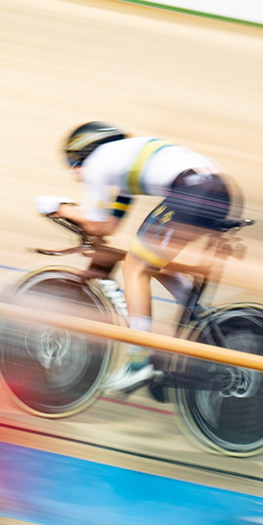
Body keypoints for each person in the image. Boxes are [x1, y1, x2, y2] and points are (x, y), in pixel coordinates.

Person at [38, 122, 242, 393]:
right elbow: (110, 225)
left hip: (193, 191)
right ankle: (197, 314)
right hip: (214, 189)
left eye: (72, 164)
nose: (75, 176)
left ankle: (138, 364)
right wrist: (96, 259)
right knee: (147, 256)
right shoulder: (124, 174)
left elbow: (97, 223)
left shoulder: (99, 161)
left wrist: (59, 207)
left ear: (82, 153)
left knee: (136, 266)